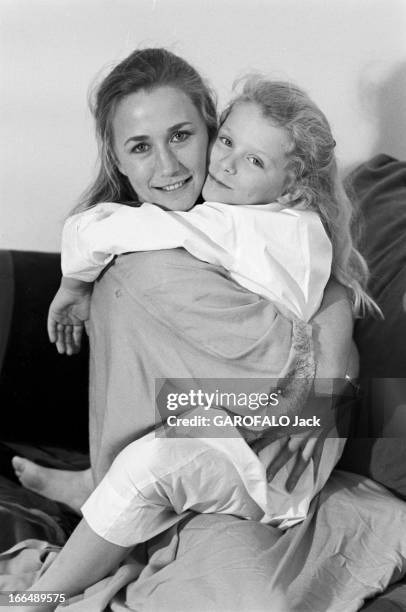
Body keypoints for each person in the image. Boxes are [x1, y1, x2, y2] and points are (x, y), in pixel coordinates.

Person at [10, 48, 359, 611]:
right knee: (124, 279)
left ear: (207, 124)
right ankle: (100, 483)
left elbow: (314, 369)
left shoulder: (215, 233)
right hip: (218, 425)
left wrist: (73, 283)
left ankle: (43, 591)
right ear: (117, 159)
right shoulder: (196, 227)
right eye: (141, 147)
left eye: (182, 136)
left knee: (131, 274)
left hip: (276, 441)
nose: (170, 167)